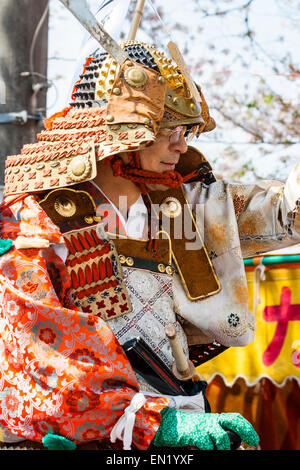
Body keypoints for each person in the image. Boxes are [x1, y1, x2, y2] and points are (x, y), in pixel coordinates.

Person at [6, 37, 299, 451]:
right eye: (170, 131)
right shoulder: (34, 222)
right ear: (122, 132)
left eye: (186, 131)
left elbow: (285, 212)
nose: (182, 146)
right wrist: (154, 423)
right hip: (94, 436)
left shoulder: (176, 206)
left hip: (179, 415)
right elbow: (36, 353)